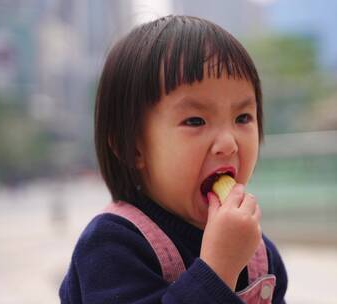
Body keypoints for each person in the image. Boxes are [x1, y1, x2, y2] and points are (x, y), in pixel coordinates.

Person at [59, 15, 288, 303]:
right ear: (133, 149)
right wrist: (218, 270)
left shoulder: (259, 257)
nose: (228, 143)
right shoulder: (110, 246)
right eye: (195, 121)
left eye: (243, 117)